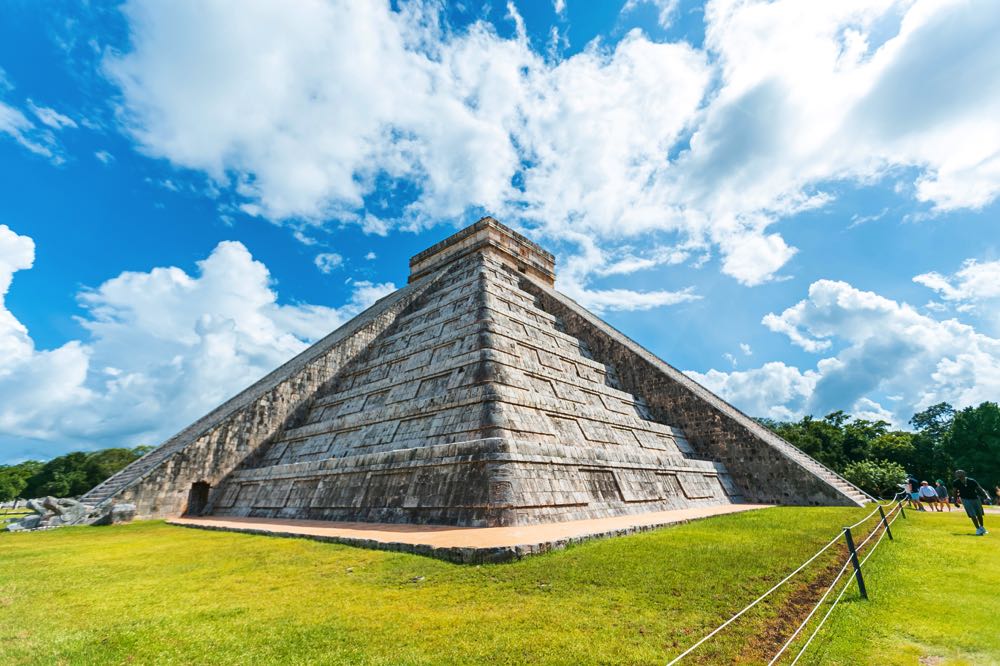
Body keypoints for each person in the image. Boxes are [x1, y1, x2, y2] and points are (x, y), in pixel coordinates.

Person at [952, 470, 989, 535]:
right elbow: (955, 492)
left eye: (959, 473)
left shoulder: (971, 481)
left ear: (964, 474)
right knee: (972, 514)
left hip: (975, 498)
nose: (957, 474)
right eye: (957, 473)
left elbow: (980, 489)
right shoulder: (955, 482)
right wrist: (955, 501)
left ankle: (982, 527)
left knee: (979, 514)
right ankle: (978, 529)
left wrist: (986, 496)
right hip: (965, 499)